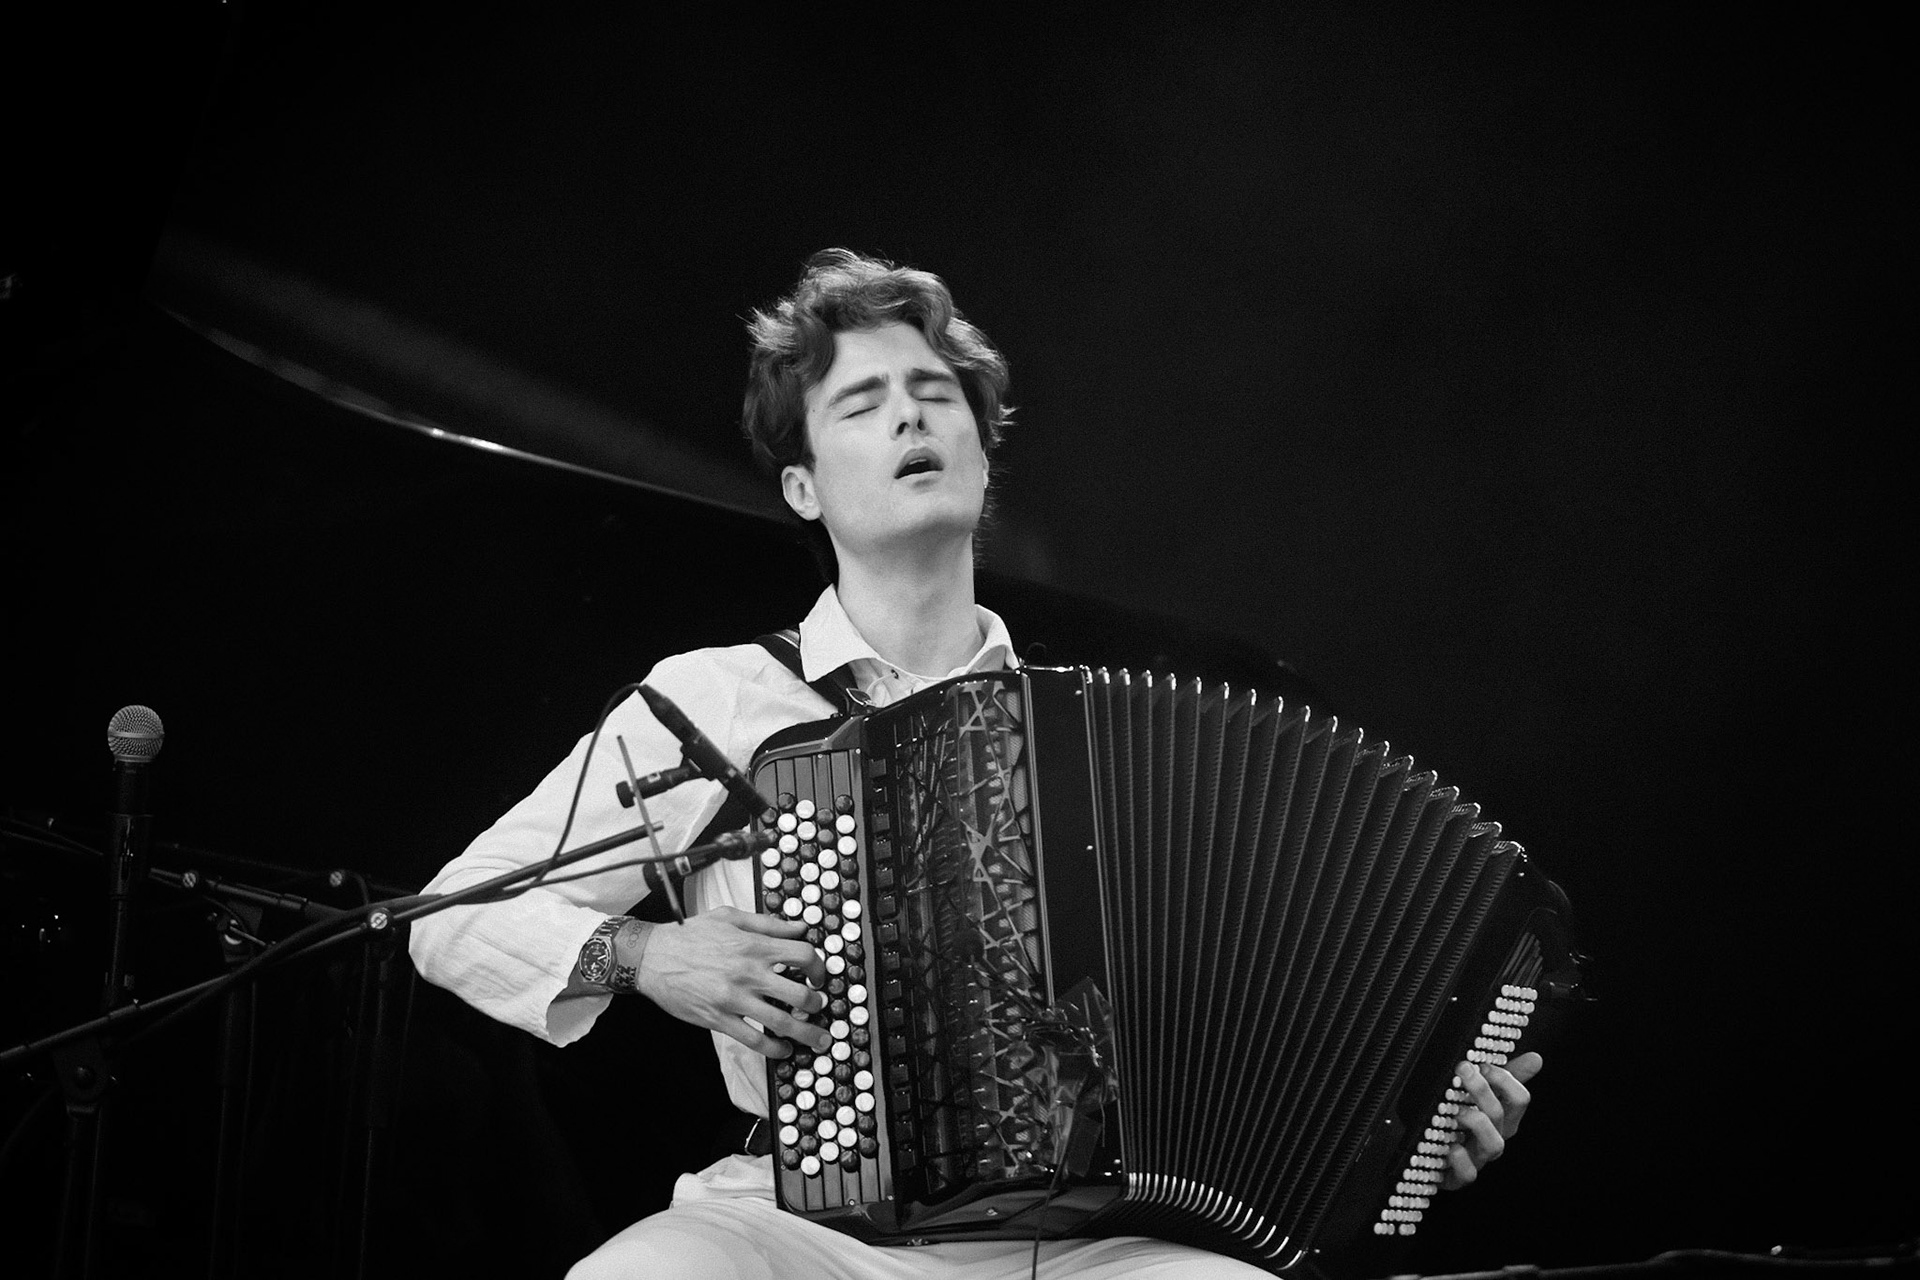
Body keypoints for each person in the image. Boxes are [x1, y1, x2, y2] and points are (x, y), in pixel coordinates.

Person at [408, 250, 1542, 1279]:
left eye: (935, 393)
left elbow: (1259, 1007)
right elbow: (451, 914)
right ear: (803, 486)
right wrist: (650, 952)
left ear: (981, 450)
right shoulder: (712, 702)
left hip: (1097, 1241)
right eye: (864, 401)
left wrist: (1411, 1122)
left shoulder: (1105, 741)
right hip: (802, 1226)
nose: (913, 416)